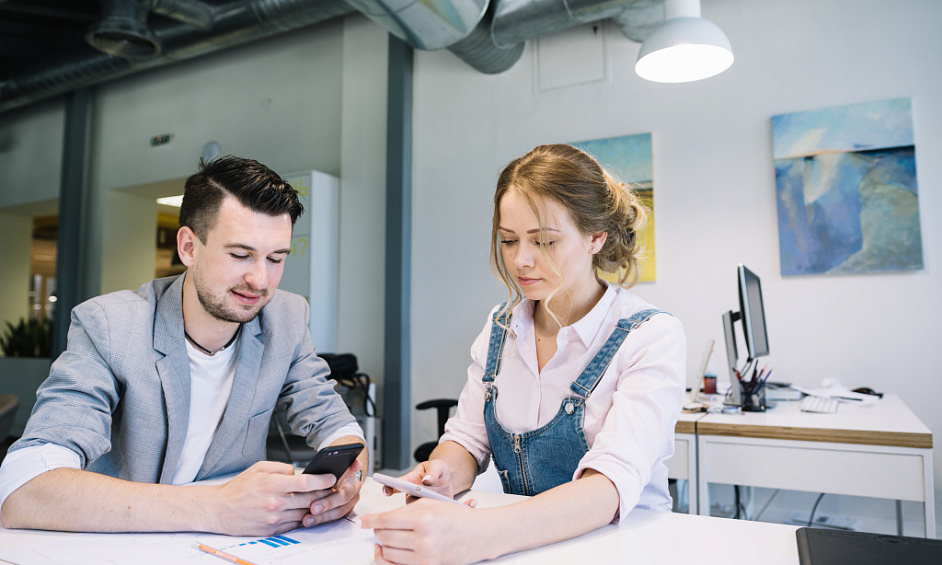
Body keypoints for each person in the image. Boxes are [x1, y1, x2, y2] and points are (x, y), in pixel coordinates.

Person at [0, 156, 367, 535]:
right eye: (240, 255)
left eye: (276, 259)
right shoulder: (111, 326)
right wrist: (217, 509)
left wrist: (348, 480)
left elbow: (337, 426)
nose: (260, 280)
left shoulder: (287, 319)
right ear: (188, 247)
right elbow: (24, 486)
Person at [361, 144, 686, 564]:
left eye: (545, 241)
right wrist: (441, 474)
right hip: (525, 547)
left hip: (623, 550)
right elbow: (466, 439)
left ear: (596, 237)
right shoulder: (501, 326)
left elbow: (608, 485)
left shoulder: (651, 335)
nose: (522, 260)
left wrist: (477, 535)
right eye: (508, 241)